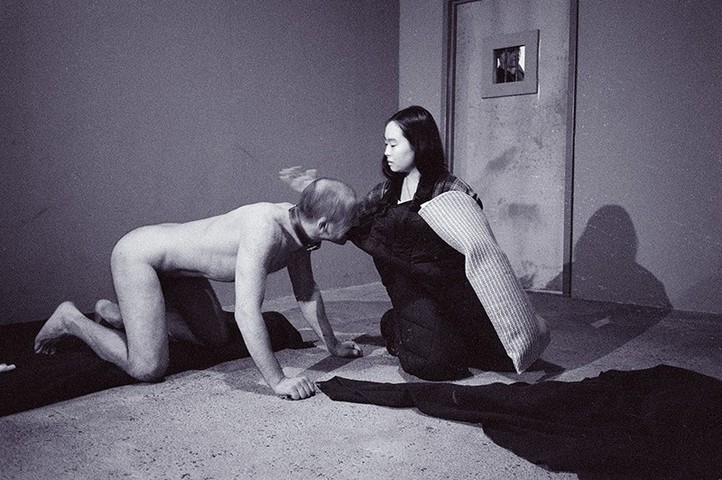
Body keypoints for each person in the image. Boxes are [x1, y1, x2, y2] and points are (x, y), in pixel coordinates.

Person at [281, 106, 548, 381]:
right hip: (412, 292)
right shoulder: (385, 192)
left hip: (454, 290)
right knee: (435, 363)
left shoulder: (452, 190)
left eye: (393, 144)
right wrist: (316, 192)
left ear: (418, 145)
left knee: (504, 357)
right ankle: (396, 324)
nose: (386, 152)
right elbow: (350, 220)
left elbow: (480, 248)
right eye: (386, 144)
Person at [34, 178, 363, 400]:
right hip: (139, 255)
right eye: (350, 223)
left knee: (216, 338)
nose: (355, 228)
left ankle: (117, 314)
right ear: (323, 225)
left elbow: (306, 292)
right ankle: (71, 319)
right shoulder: (265, 230)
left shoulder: (301, 232)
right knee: (148, 368)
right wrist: (279, 381)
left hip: (179, 270)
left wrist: (333, 345)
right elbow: (247, 313)